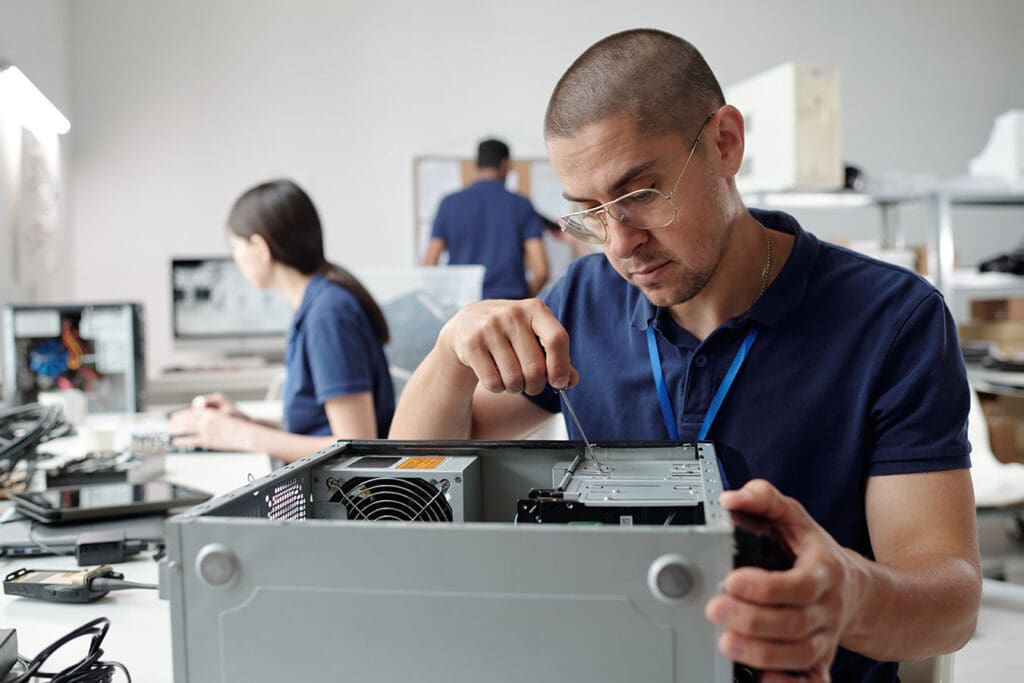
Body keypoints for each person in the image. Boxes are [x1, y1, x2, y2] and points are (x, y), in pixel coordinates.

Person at [390, 29, 981, 682]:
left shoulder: (892, 320)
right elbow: (415, 479)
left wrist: (848, 596)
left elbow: (949, 600)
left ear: (726, 142)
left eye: (641, 194)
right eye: (589, 212)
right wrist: (449, 351)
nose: (620, 243)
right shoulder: (584, 298)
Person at [169, 179, 395, 463]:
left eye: (235, 247)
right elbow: (316, 430)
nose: (235, 259)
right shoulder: (319, 303)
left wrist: (239, 435)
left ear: (259, 247)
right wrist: (244, 422)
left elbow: (354, 445)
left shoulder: (329, 315)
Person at [423, 138, 549, 299]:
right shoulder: (522, 205)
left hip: (462, 307)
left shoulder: (449, 204)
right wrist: (520, 303)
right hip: (507, 305)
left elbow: (429, 267)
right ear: (505, 164)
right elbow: (541, 272)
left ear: (476, 165)